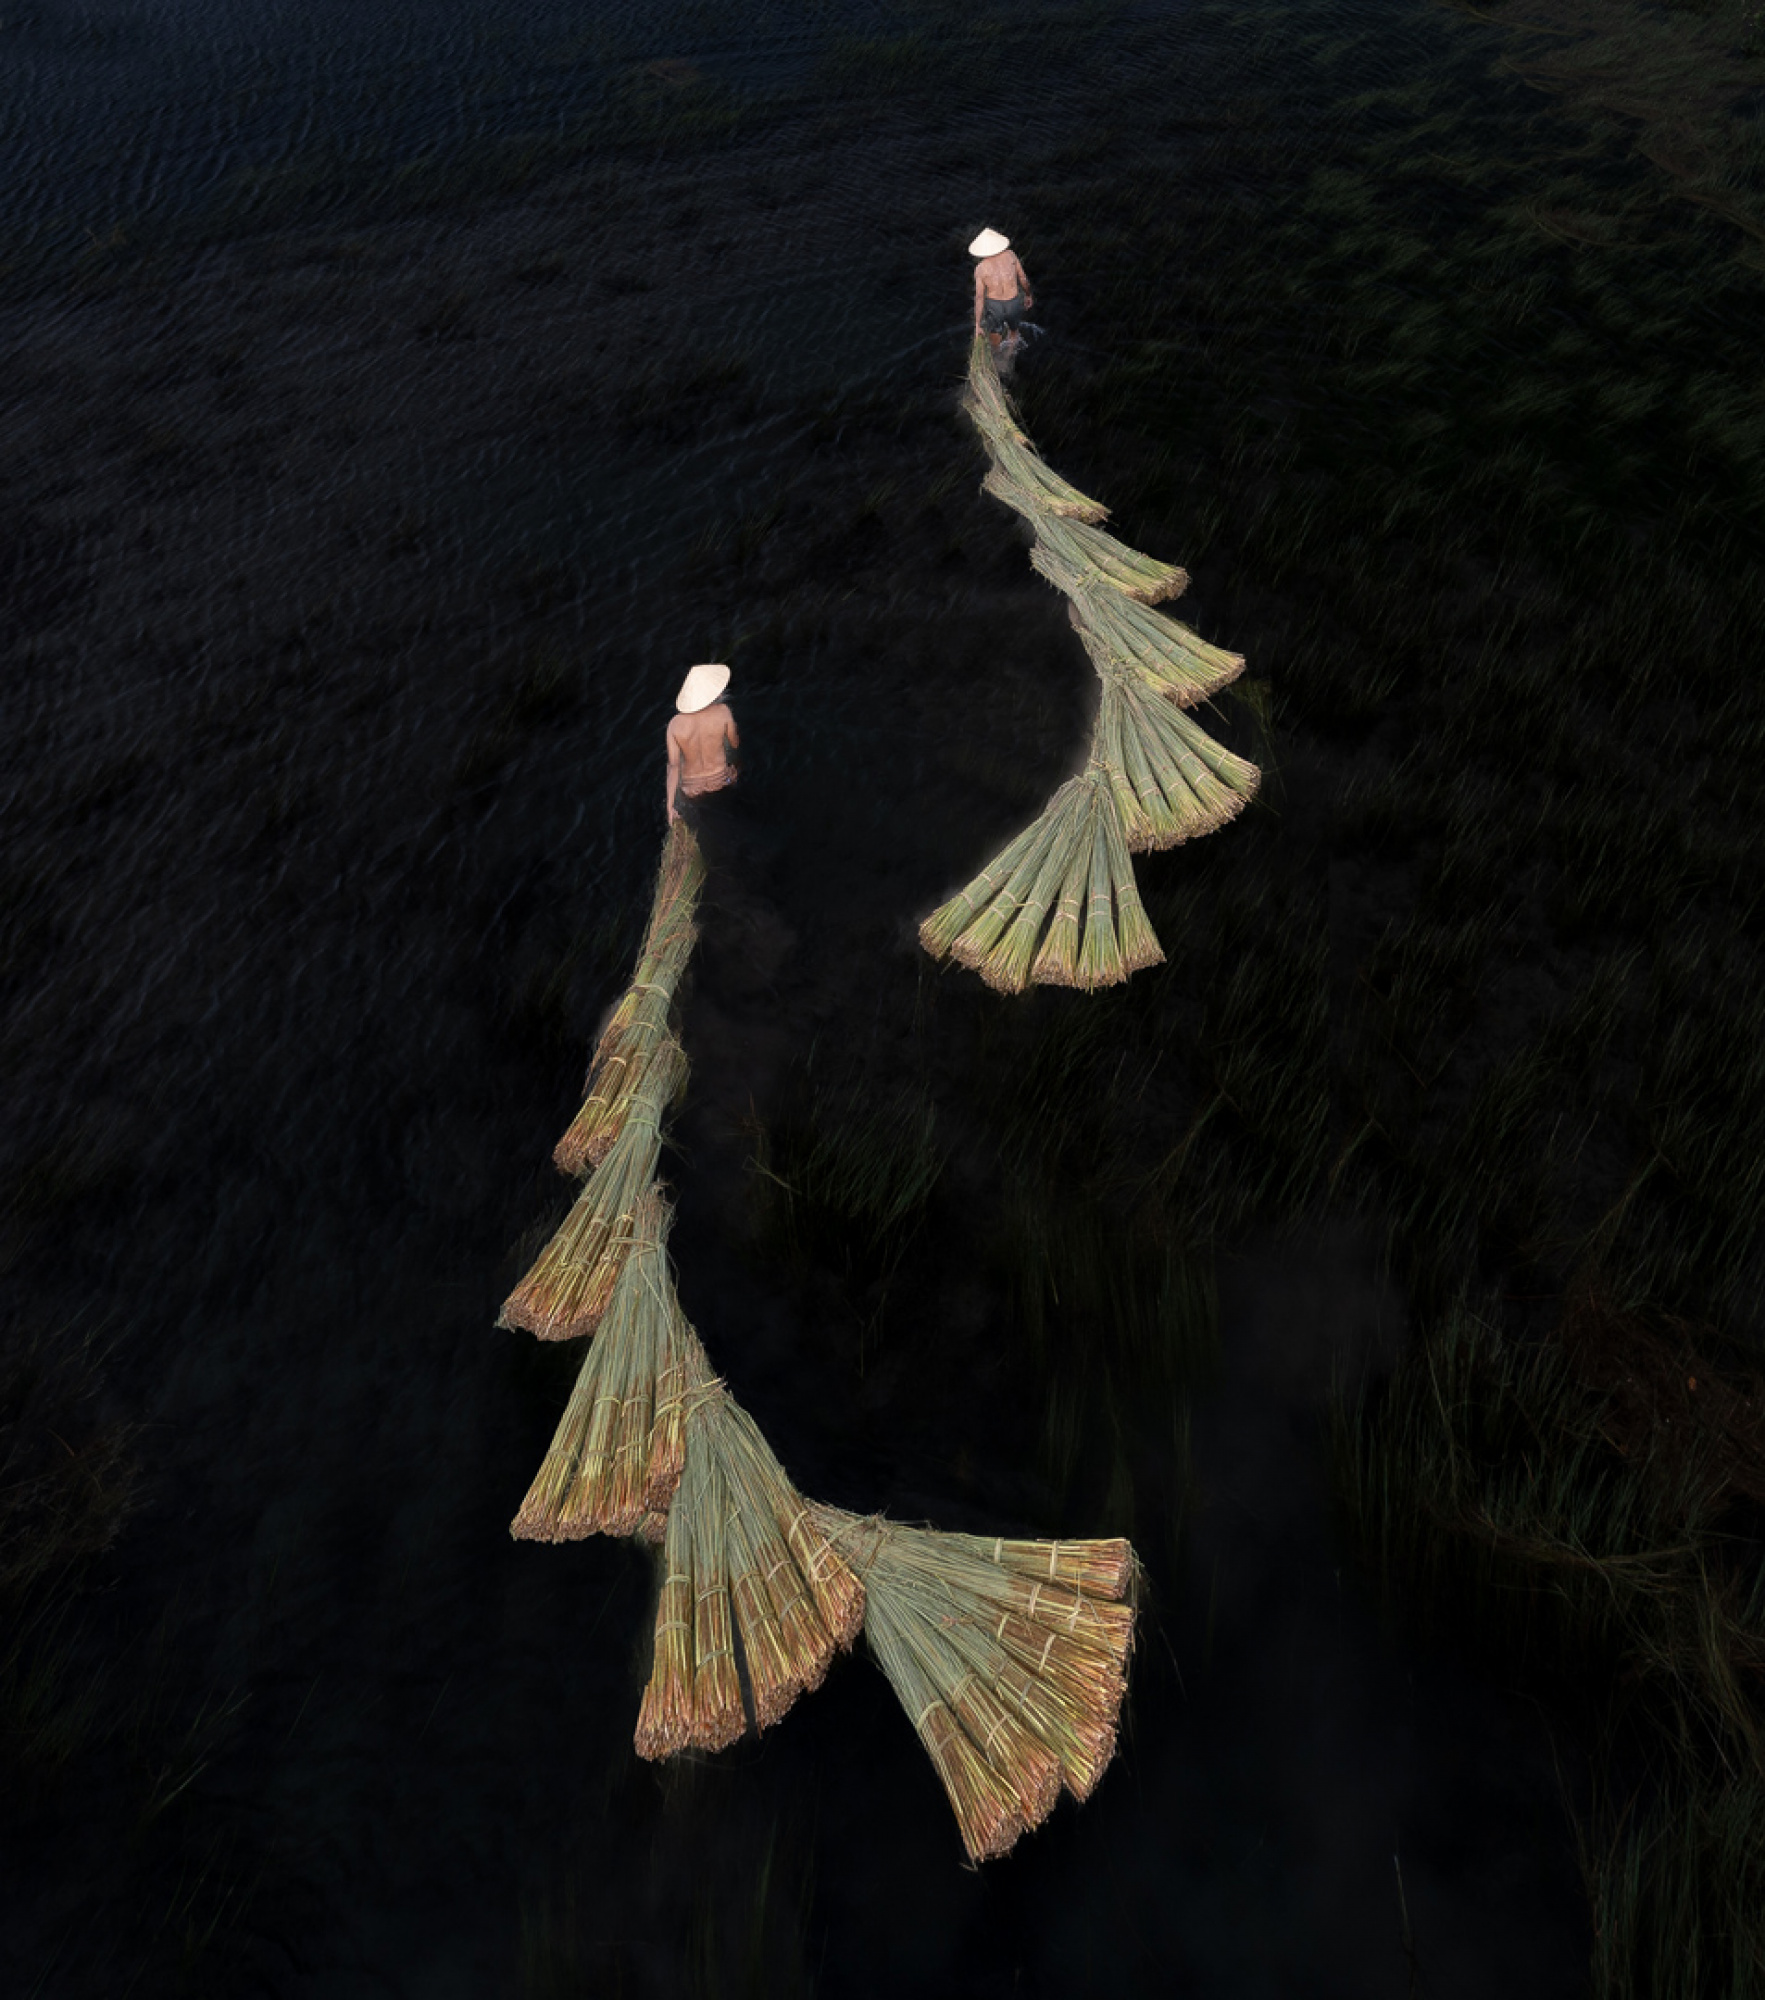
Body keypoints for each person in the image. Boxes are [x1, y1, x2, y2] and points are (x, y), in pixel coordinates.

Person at [665, 662, 739, 828]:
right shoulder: (723, 711)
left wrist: (669, 807)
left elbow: (673, 766)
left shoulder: (674, 725)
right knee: (736, 770)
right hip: (722, 781)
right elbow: (734, 743)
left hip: (691, 790)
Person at [970, 227, 1034, 367]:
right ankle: (1008, 356)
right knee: (1014, 332)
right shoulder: (1011, 256)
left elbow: (979, 297)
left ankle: (996, 358)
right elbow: (1023, 278)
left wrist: (977, 325)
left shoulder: (981, 268)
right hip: (1013, 301)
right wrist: (1028, 295)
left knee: (995, 334)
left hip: (995, 305)